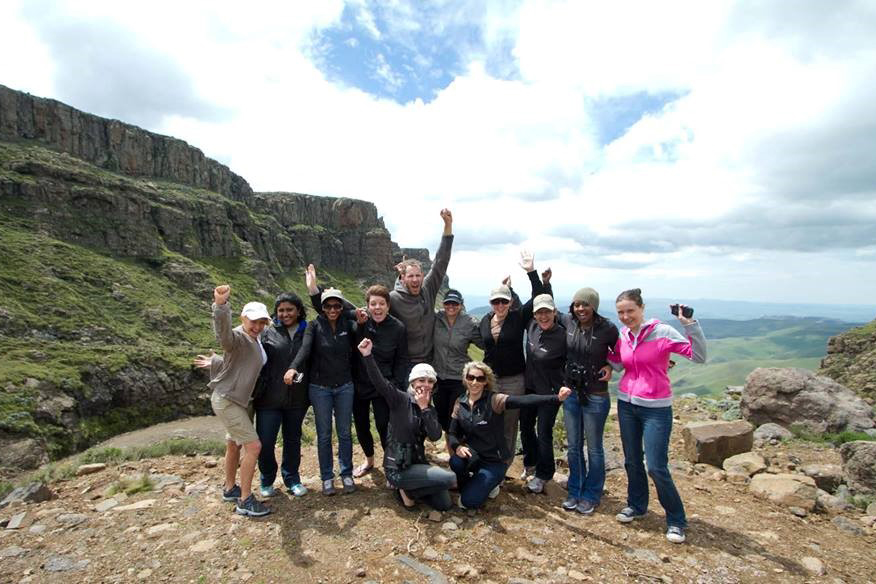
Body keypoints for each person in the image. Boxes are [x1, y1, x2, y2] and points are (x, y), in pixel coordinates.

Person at [610, 289, 706, 544]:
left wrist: (689, 325)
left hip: (656, 408)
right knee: (631, 460)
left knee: (656, 466)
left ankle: (676, 520)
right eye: (621, 312)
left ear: (642, 308)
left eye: (630, 310)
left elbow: (698, 356)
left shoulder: (662, 332)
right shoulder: (623, 335)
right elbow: (620, 364)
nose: (626, 316)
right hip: (627, 404)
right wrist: (601, 356)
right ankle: (637, 505)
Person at [447, 361, 572, 510]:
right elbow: (452, 433)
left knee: (467, 502)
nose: (475, 382)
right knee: (456, 461)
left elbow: (524, 400)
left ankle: (489, 484)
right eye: (471, 377)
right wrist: (457, 446)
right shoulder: (460, 402)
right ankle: (474, 484)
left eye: (480, 379)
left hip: (494, 461)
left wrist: (555, 398)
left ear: (486, 381)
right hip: (473, 456)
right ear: (465, 378)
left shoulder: (494, 400)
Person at [196, 284, 271, 517]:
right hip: (229, 400)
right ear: (243, 319)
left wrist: (217, 362)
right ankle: (245, 500)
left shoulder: (256, 338)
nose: (257, 326)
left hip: (239, 400)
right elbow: (225, 338)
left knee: (233, 443)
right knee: (254, 446)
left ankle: (230, 488)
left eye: (262, 322)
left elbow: (238, 361)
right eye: (253, 322)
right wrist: (220, 306)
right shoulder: (239, 335)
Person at [357, 338, 456, 511]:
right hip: (398, 466)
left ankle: (409, 490)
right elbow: (379, 381)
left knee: (445, 504)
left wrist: (425, 408)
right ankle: (404, 487)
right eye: (421, 380)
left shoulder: (430, 409)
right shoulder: (400, 399)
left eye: (430, 381)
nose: (425, 385)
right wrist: (367, 355)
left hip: (418, 462)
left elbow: (435, 436)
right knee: (449, 479)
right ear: (412, 382)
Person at [285, 273, 361, 496]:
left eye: (337, 305)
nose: (333, 310)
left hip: (345, 386)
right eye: (328, 306)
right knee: (325, 434)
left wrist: (315, 290)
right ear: (322, 307)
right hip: (320, 389)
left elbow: (361, 331)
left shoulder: (349, 323)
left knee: (345, 433)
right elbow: (305, 350)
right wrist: (293, 367)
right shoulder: (314, 325)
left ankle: (346, 473)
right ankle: (327, 476)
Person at [549, 276, 619, 515]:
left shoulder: (608, 328)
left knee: (595, 448)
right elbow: (545, 307)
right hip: (571, 393)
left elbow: (624, 351)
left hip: (596, 395)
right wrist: (535, 275)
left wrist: (610, 365)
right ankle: (575, 490)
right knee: (574, 446)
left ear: (594, 306)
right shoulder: (568, 322)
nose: (580, 309)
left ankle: (592, 494)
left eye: (585, 304)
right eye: (577, 304)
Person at [477, 250, 547, 474]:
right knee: (488, 423)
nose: (500, 305)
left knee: (509, 425)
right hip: (490, 381)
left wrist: (531, 272)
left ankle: (503, 467)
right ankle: (489, 461)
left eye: (504, 301)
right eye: (496, 301)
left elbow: (537, 296)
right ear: (490, 303)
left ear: (510, 302)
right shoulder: (485, 321)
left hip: (514, 380)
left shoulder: (518, 317)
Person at [252, 292, 310, 498]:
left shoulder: (308, 331)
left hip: (297, 398)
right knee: (266, 441)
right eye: (281, 310)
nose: (285, 314)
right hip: (268, 399)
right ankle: (267, 479)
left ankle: (292, 478)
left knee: (292, 439)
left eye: (289, 310)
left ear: (298, 311)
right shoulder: (267, 332)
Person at [351, 284, 409, 479]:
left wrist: (397, 386)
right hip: (360, 383)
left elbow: (402, 359)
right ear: (367, 305)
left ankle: (389, 462)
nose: (377, 308)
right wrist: (360, 325)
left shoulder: (398, 328)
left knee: (384, 424)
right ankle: (369, 460)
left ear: (388, 305)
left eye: (381, 304)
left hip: (384, 385)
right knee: (361, 424)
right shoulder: (361, 323)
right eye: (373, 304)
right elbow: (333, 311)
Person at [390, 208, 453, 365]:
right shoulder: (393, 298)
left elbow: (440, 263)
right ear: (402, 278)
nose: (415, 279)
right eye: (410, 276)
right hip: (406, 363)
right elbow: (371, 309)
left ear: (423, 276)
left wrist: (448, 226)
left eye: (418, 275)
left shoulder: (427, 290)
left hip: (431, 360)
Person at [518, 293, 567, 495]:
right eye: (540, 312)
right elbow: (519, 310)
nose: (543, 316)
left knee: (544, 432)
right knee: (526, 428)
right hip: (530, 387)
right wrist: (509, 290)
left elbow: (578, 356)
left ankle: (544, 474)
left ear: (555, 312)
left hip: (551, 392)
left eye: (547, 312)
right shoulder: (531, 325)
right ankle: (530, 463)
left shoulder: (564, 335)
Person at [432, 289, 483, 441]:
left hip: (458, 379)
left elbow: (484, 343)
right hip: (438, 377)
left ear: (461, 305)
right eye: (448, 303)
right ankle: (452, 450)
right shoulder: (436, 318)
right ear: (443, 304)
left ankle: (455, 456)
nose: (451, 306)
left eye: (455, 303)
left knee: (454, 418)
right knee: (441, 417)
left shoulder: (469, 323)